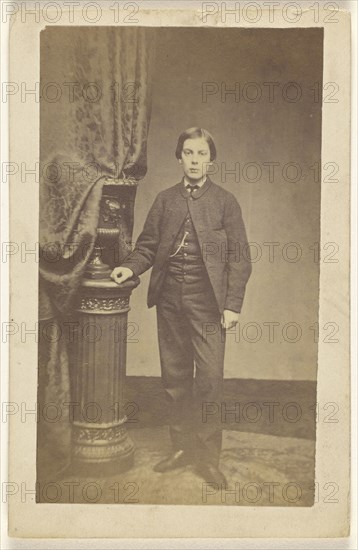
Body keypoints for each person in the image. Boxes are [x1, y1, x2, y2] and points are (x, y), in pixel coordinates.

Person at [111, 127, 252, 484]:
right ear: (179, 158)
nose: (194, 160)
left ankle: (206, 457)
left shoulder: (225, 202)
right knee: (175, 378)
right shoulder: (164, 200)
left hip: (208, 305)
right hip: (170, 300)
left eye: (201, 154)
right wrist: (129, 266)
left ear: (211, 160)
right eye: (188, 153)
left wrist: (232, 304)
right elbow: (146, 247)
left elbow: (240, 257)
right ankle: (181, 447)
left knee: (208, 379)